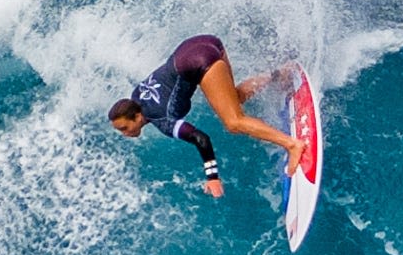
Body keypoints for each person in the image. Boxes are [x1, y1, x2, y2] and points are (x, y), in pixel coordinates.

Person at [108, 34, 295, 201]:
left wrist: (212, 178)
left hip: (198, 62)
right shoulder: (135, 97)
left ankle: (292, 145)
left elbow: (201, 138)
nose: (125, 133)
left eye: (124, 128)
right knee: (234, 98)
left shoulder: (162, 119)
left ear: (137, 116)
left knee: (234, 123)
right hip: (202, 43)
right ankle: (280, 74)